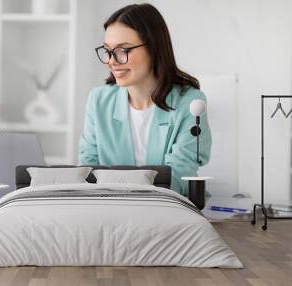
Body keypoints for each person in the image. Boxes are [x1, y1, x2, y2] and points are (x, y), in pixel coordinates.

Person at [78, 3, 212, 195]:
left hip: (167, 211)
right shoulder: (98, 100)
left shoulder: (190, 103)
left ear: (154, 48)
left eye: (123, 50)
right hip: (108, 211)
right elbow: (86, 171)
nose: (111, 61)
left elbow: (179, 176)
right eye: (108, 51)